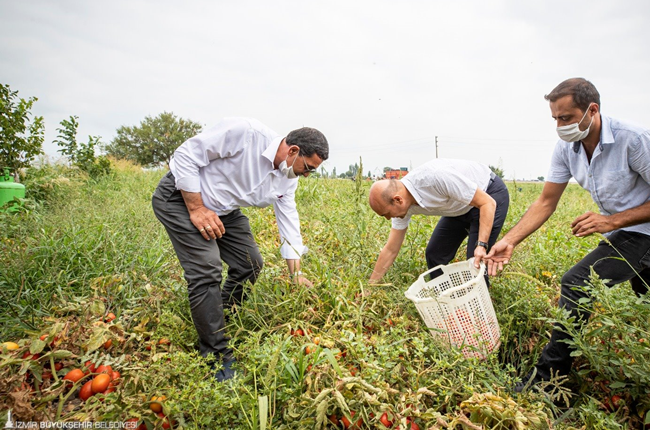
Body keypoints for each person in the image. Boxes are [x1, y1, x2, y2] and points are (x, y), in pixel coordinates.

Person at [484, 78, 650, 391]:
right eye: (555, 119)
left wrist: (611, 222)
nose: (560, 125)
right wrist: (509, 240)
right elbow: (545, 201)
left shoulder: (634, 140)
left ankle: (547, 386)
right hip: (624, 230)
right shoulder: (567, 148)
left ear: (592, 110)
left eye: (566, 118)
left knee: (576, 281)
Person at [151, 117, 328, 382]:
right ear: (293, 151)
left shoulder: (287, 179)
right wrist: (197, 208)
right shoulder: (247, 135)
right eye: (308, 167)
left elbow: (289, 224)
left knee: (250, 264)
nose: (306, 174)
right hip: (181, 198)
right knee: (207, 269)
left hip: (224, 210)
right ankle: (214, 353)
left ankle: (217, 314)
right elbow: (186, 155)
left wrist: (295, 275)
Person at [367, 158, 509, 285]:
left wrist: (481, 245)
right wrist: (370, 287)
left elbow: (487, 203)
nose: (388, 218)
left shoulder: (435, 178)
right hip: (459, 206)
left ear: (398, 200)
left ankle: (479, 308)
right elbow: (391, 249)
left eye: (387, 214)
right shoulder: (403, 205)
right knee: (434, 254)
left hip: (488, 194)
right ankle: (445, 298)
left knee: (474, 261)